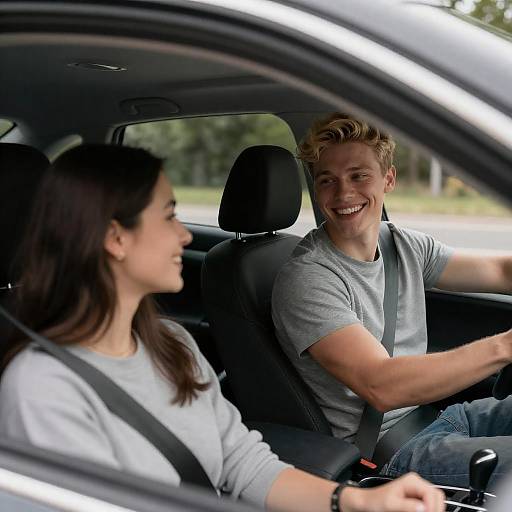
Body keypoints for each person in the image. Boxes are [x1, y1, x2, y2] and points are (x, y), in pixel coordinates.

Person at [0, 144, 444, 512]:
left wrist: (357, 502)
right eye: (169, 215)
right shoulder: (42, 389)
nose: (185, 235)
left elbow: (242, 464)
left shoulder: (171, 345)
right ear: (116, 238)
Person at [272, 113, 512, 490]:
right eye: (327, 181)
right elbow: (381, 386)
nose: (343, 194)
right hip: (392, 451)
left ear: (389, 180)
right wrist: (505, 346)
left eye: (358, 176)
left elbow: (500, 272)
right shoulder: (307, 278)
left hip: (443, 418)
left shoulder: (400, 243)